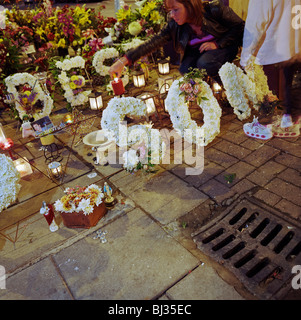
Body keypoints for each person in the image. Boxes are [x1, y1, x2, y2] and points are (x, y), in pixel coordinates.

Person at [109, 0, 245, 81]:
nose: (172, 15)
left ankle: (232, 87)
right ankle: (209, 93)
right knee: (186, 69)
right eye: (170, 11)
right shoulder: (174, 24)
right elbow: (153, 42)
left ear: (189, 5)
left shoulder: (214, 10)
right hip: (200, 53)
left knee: (205, 63)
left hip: (225, 47)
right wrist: (123, 61)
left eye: (176, 10)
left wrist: (217, 44)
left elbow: (240, 26)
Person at [240, 0, 301, 136]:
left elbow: (255, 24)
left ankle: (264, 125)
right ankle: (289, 119)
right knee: (289, 82)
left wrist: (245, 57)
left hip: (273, 46)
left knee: (266, 88)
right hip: (295, 41)